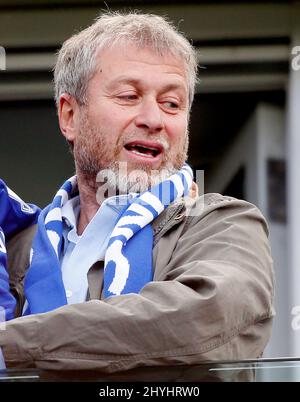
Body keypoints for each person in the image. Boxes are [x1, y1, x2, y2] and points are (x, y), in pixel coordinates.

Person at [0, 11, 274, 374]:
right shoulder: (17, 247)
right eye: (129, 96)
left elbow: (204, 315)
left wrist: (11, 346)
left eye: (172, 104)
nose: (154, 119)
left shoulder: (221, 223)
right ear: (69, 116)